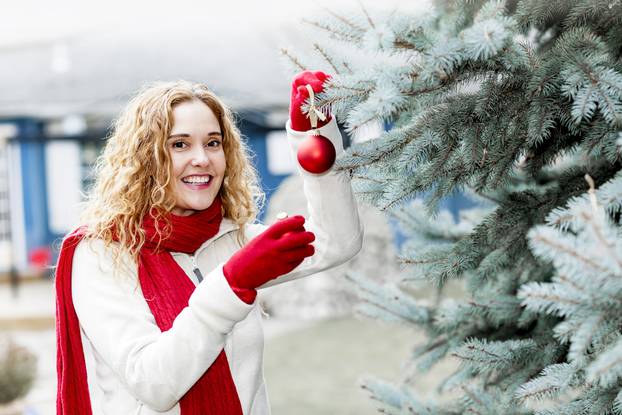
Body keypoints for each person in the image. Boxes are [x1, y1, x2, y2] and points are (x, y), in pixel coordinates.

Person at [54, 71, 363, 415]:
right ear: (145, 158)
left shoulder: (232, 238)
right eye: (179, 144)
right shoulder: (101, 252)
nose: (202, 158)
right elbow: (153, 383)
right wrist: (231, 284)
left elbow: (337, 242)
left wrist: (314, 137)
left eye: (213, 142)